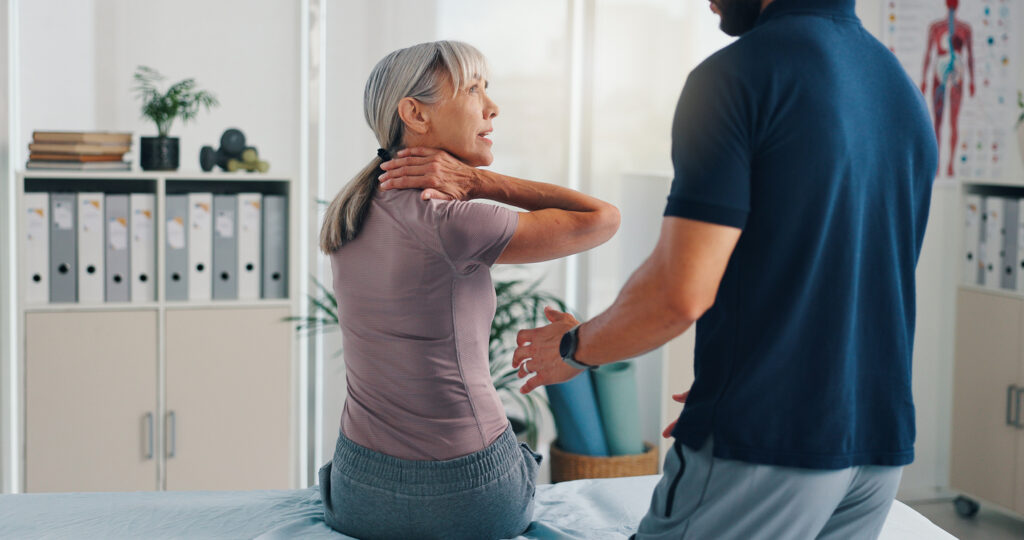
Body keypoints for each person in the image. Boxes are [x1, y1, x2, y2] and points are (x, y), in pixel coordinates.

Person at [379, 1, 938, 538]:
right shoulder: (899, 88)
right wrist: (741, 375)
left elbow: (677, 292)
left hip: (771, 440)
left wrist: (572, 347)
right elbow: (841, 277)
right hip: (877, 446)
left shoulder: (740, 75)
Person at [317, 40, 619, 540]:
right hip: (467, 497)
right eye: (474, 89)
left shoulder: (350, 210)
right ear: (414, 113)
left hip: (359, 493)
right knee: (519, 456)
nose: (491, 106)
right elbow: (604, 220)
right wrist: (483, 182)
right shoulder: (454, 219)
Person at [921, 0, 975, 177]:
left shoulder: (965, 29)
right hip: (939, 75)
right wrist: (924, 80)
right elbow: (928, 54)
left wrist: (972, 80)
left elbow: (970, 58)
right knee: (937, 122)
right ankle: (936, 165)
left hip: (956, 77)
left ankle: (950, 164)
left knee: (953, 122)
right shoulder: (936, 28)